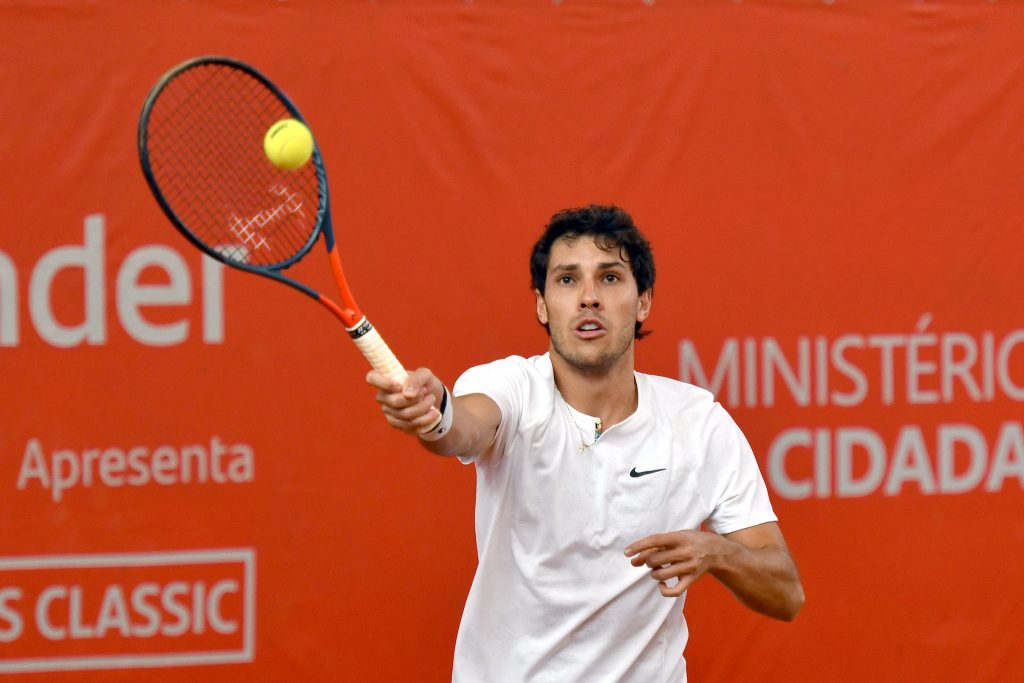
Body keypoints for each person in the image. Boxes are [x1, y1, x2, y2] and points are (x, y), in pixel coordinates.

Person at [366, 205, 804, 682]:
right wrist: (434, 414)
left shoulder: (697, 423)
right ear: (541, 304)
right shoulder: (512, 386)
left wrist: (719, 552)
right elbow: (463, 425)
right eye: (567, 280)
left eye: (611, 278)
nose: (589, 298)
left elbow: (786, 593)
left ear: (643, 302)